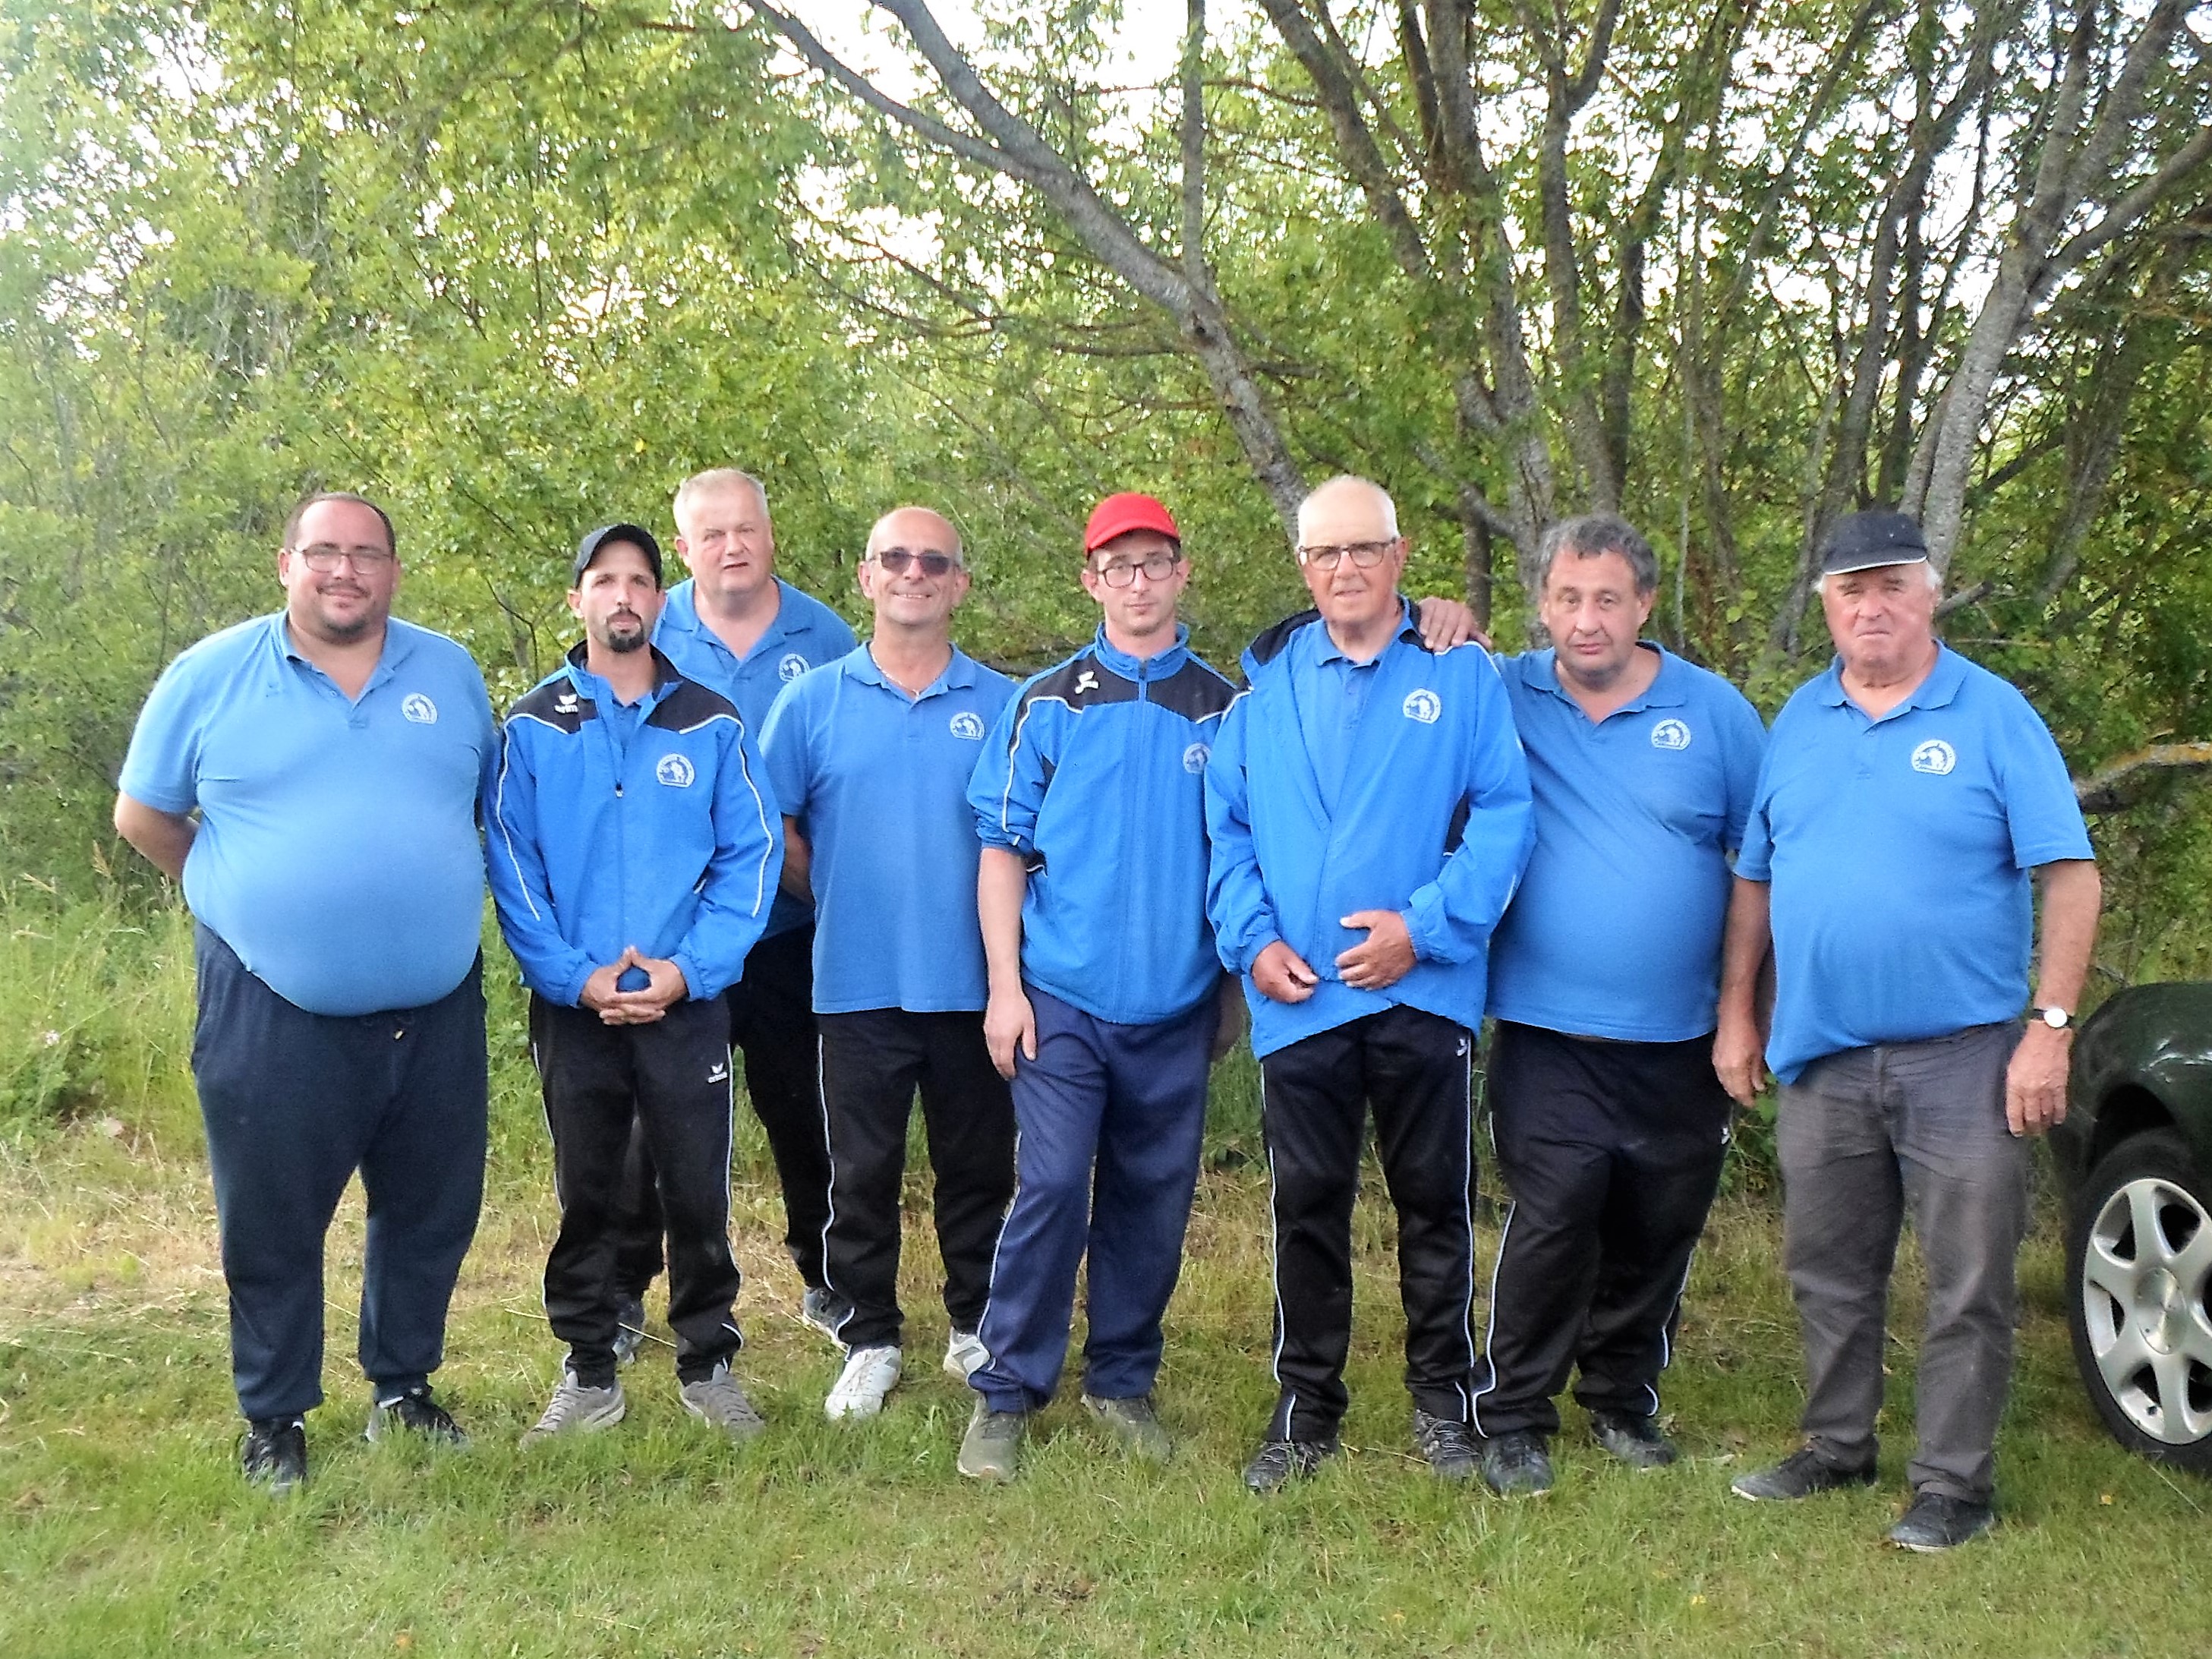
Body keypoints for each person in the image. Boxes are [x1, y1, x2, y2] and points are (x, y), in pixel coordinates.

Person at [1715, 508, 2100, 1552]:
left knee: (1968, 1279)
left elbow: (2067, 874)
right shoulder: (1797, 719)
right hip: (1822, 1055)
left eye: (1891, 585)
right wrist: (1735, 1014)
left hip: (1965, 1058)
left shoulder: (1992, 714)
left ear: (1930, 593)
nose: (1871, 605)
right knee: (1826, 1268)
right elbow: (1754, 878)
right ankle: (1835, 1446)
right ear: (1827, 606)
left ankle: (1950, 1485)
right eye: (1850, 590)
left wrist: (2048, 1027)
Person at [113, 490, 496, 1493]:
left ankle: (402, 1388)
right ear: (285, 563)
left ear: (393, 572)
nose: (344, 571)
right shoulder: (210, 674)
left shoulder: (448, 673)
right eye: (322, 552)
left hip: (437, 1006)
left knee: (428, 1210)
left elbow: (477, 810)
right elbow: (143, 815)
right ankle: (273, 1416)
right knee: (274, 1221)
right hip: (271, 1009)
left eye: (365, 554)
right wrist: (239, 896)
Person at [1205, 475, 1534, 1491]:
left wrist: (1423, 929)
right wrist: (1251, 942)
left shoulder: (1458, 672)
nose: (1343, 568)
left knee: (1436, 1203)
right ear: (1301, 569)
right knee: (1306, 1205)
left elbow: (1505, 816)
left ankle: (1444, 1400)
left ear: (1397, 556)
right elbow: (1228, 834)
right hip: (1297, 995)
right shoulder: (1257, 693)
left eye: (1362, 549)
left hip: (1418, 990)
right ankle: (1305, 1404)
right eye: (1323, 554)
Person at [1472, 513, 1767, 1495]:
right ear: (1541, 604)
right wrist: (1436, 614)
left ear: (1644, 603)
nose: (1584, 619)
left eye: (1606, 598)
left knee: (1655, 1223)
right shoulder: (1505, 690)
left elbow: (1758, 868)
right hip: (1547, 1028)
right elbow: (1426, 650)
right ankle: (1513, 1414)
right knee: (1555, 1214)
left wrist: (1741, 1014)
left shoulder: (1715, 713)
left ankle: (1619, 1399)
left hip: (1682, 1035)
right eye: (1566, 598)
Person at [953, 493, 1243, 1481]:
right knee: (1050, 1183)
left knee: (1150, 1198)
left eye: (1153, 562)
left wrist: (1231, 990)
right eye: (1116, 566)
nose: (1136, 581)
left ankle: (1121, 1378)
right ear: (1090, 581)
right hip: (1060, 997)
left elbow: (1241, 855)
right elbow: (999, 851)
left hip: (1176, 1002)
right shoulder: (1046, 702)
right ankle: (1003, 1391)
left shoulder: (1225, 705)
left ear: (1179, 572)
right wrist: (1004, 987)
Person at [488, 523, 782, 1444]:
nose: (622, 596)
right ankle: (587, 1367)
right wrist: (575, 980)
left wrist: (688, 968)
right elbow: (513, 861)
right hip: (575, 1009)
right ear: (576, 600)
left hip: (684, 1003)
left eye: (640, 581)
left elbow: (751, 858)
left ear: (661, 602)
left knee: (697, 1187)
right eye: (603, 581)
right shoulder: (533, 725)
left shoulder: (712, 720)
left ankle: (708, 1360)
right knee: (588, 1189)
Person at [759, 506, 1018, 1420]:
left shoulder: (1005, 704)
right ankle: (869, 1337)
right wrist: (830, 890)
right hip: (855, 981)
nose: (914, 572)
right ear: (866, 577)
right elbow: (771, 825)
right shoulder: (811, 701)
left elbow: (1030, 837)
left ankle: (975, 1324)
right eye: (894, 558)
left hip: (974, 984)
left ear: (958, 584)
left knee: (979, 1168)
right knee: (858, 1173)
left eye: (934, 561)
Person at [605, 468, 859, 1361]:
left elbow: (844, 775)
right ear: (684, 548)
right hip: (675, 934)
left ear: (769, 532)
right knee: (650, 1124)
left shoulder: (823, 634)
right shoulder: (647, 624)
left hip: (789, 929)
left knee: (806, 1114)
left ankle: (828, 1281)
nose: (732, 547)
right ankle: (625, 1291)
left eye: (746, 529)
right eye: (712, 535)